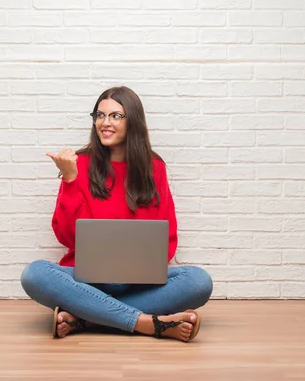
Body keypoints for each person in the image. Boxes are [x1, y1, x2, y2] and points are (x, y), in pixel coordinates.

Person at [20, 86, 213, 342]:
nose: (105, 123)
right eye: (100, 115)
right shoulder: (79, 164)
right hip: (86, 279)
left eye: (115, 116)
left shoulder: (154, 168)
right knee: (34, 274)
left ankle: (86, 316)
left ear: (133, 121)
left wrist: (141, 269)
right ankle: (144, 322)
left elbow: (167, 239)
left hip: (138, 282)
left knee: (199, 281)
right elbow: (66, 237)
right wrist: (69, 179)